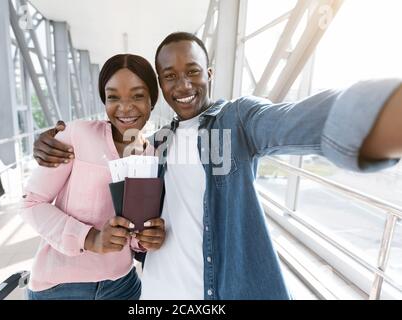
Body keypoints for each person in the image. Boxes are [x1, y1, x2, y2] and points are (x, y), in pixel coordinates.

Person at [32, 32, 402, 300]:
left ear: (209, 73)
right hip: (156, 293)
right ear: (161, 84)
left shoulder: (237, 120)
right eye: (171, 76)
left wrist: (379, 114)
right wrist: (144, 242)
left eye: (192, 71)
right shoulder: (154, 145)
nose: (183, 84)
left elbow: (295, 120)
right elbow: (146, 223)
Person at [21, 54, 166, 300]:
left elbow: (133, 230)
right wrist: (90, 238)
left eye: (138, 95)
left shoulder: (151, 155)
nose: (125, 107)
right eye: (113, 97)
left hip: (122, 284)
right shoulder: (77, 135)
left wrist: (144, 240)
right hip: (61, 287)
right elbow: (31, 203)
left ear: (152, 100)